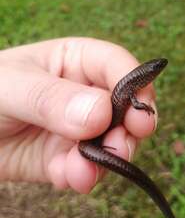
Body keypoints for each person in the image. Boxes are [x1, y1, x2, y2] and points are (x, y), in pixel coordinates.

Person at [0, 37, 157, 194]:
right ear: (146, 76)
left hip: (95, 134)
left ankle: (95, 147)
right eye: (156, 69)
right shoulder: (130, 87)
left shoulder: (130, 87)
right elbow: (135, 103)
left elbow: (134, 102)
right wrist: (143, 107)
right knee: (108, 142)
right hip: (96, 129)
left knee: (106, 146)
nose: (158, 69)